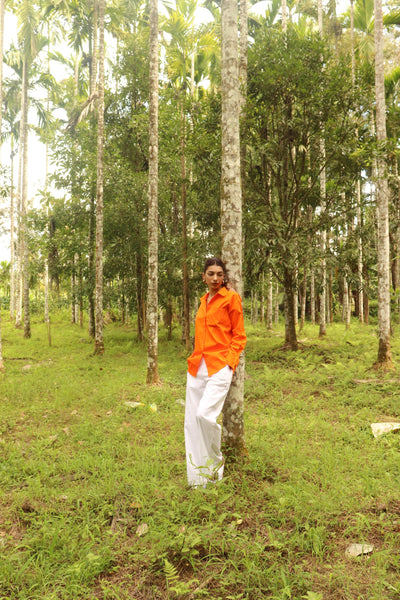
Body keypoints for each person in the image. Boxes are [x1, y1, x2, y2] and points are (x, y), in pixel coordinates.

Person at [184, 257, 247, 488]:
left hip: (220, 366)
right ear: (203, 276)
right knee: (192, 423)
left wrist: (229, 363)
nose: (215, 278)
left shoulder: (231, 298)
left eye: (219, 274)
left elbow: (239, 336)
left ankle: (216, 464)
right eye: (210, 273)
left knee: (205, 416)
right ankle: (197, 479)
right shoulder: (203, 301)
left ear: (224, 277)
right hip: (197, 366)